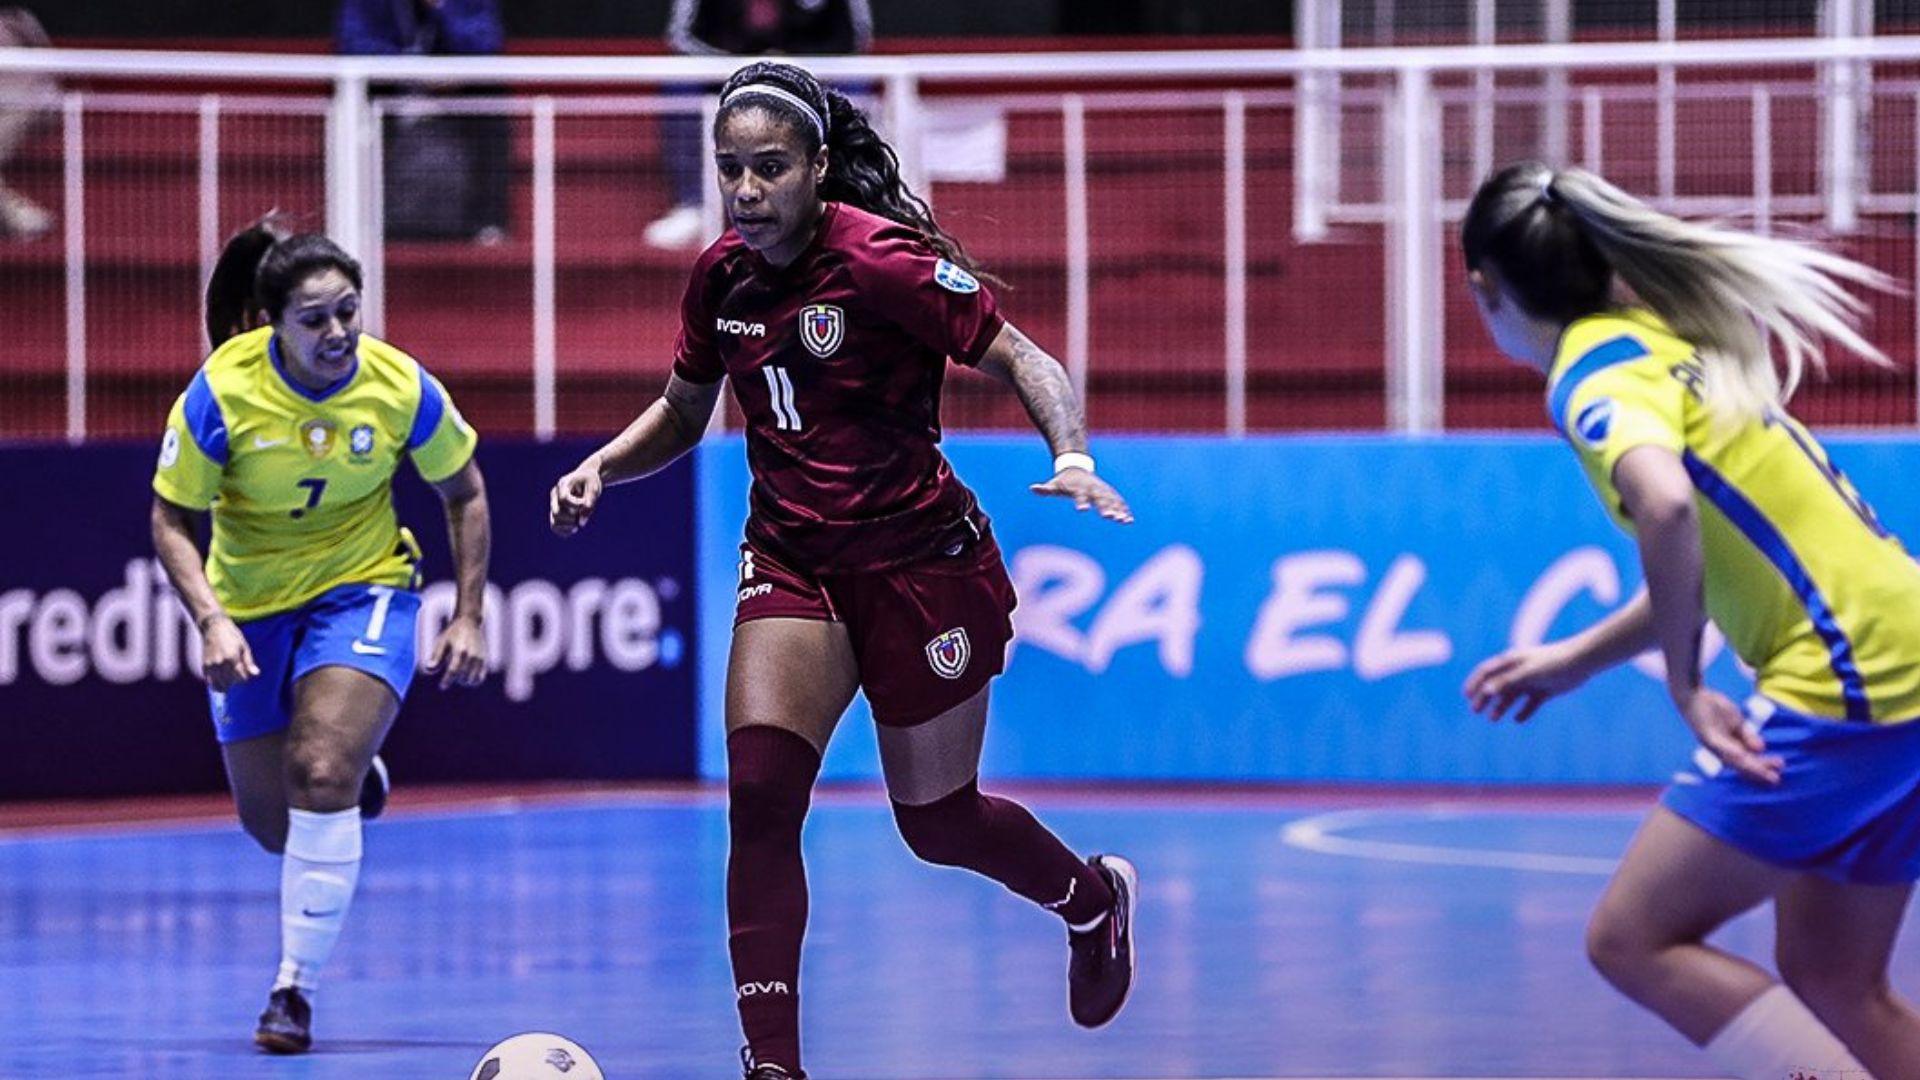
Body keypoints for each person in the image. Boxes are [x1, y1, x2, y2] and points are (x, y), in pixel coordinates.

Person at [551, 60, 1137, 1080]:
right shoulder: (720, 277)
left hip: (919, 566)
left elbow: (1023, 359)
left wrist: (1072, 457)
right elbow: (688, 412)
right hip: (792, 561)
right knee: (763, 798)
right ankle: (773, 1064)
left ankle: (1091, 902)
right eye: (729, 169)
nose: (744, 191)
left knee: (937, 822)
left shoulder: (883, 263)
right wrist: (606, 463)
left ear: (819, 166)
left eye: (769, 168)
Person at [1460, 161, 1920, 1079]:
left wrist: (1686, 687)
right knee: (1835, 978)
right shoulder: (1656, 341)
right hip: (1899, 650)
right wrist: (1576, 661)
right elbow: (1708, 557)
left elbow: (1664, 507)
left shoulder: (1593, 374)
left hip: (1854, 677)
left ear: (1485, 285)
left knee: (1631, 938)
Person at [152, 218, 492, 1054]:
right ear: (274, 323)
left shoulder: (400, 386)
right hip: (248, 604)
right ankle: (356, 777)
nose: (339, 332)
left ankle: (291, 993)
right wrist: (211, 618)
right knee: (275, 825)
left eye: (349, 311)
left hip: (364, 587)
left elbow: (466, 493)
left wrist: (470, 613)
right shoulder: (221, 393)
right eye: (315, 319)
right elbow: (169, 518)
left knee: (320, 768)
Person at [645, 0, 873, 250]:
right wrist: (747, 65)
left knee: (854, 81)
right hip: (725, 71)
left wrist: (793, 65)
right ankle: (694, 205)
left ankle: (846, 199)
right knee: (680, 82)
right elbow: (682, 38)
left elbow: (856, 38)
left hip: (811, 69)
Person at [337, 0, 510, 243]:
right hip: (389, 92)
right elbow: (353, 42)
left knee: (492, 105)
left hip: (454, 94)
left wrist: (442, 9)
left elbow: (485, 42)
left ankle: (486, 224)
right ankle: (362, 224)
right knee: (350, 102)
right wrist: (406, 69)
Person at [0, 6, 54, 240]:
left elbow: (52, 66)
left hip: (29, 101)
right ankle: (15, 213)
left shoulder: (18, 21)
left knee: (23, 106)